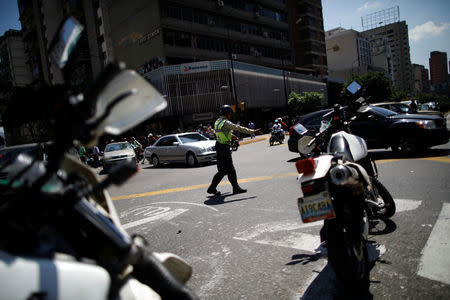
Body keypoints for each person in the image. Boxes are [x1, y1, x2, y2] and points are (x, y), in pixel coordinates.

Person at [207, 105, 259, 195]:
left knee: (222, 171)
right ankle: (236, 188)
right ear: (227, 114)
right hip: (224, 147)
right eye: (230, 113)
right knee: (231, 168)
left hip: (219, 146)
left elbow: (220, 132)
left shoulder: (217, 122)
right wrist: (251, 131)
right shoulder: (226, 122)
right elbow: (238, 128)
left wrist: (231, 135)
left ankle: (212, 188)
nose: (230, 115)